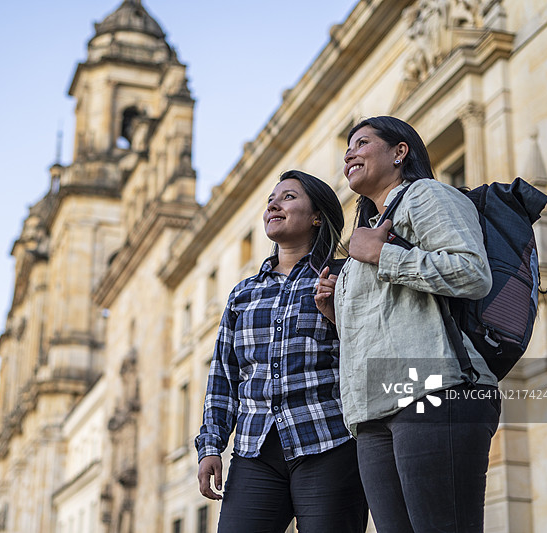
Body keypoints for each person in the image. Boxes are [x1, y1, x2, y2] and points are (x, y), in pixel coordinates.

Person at [315, 116, 500, 532]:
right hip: (373, 410)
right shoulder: (367, 231)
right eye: (347, 147)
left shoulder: (427, 195)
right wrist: (335, 312)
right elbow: (389, 322)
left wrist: (381, 255)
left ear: (400, 152)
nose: (349, 153)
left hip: (436, 391)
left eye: (362, 142)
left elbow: (471, 273)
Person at [195, 170, 368, 533]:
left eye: (288, 197)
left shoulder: (343, 278)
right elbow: (223, 377)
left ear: (317, 215)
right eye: (271, 199)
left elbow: (370, 355)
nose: (274, 204)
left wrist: (338, 316)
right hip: (254, 452)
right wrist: (211, 444)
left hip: (329, 443)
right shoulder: (243, 294)